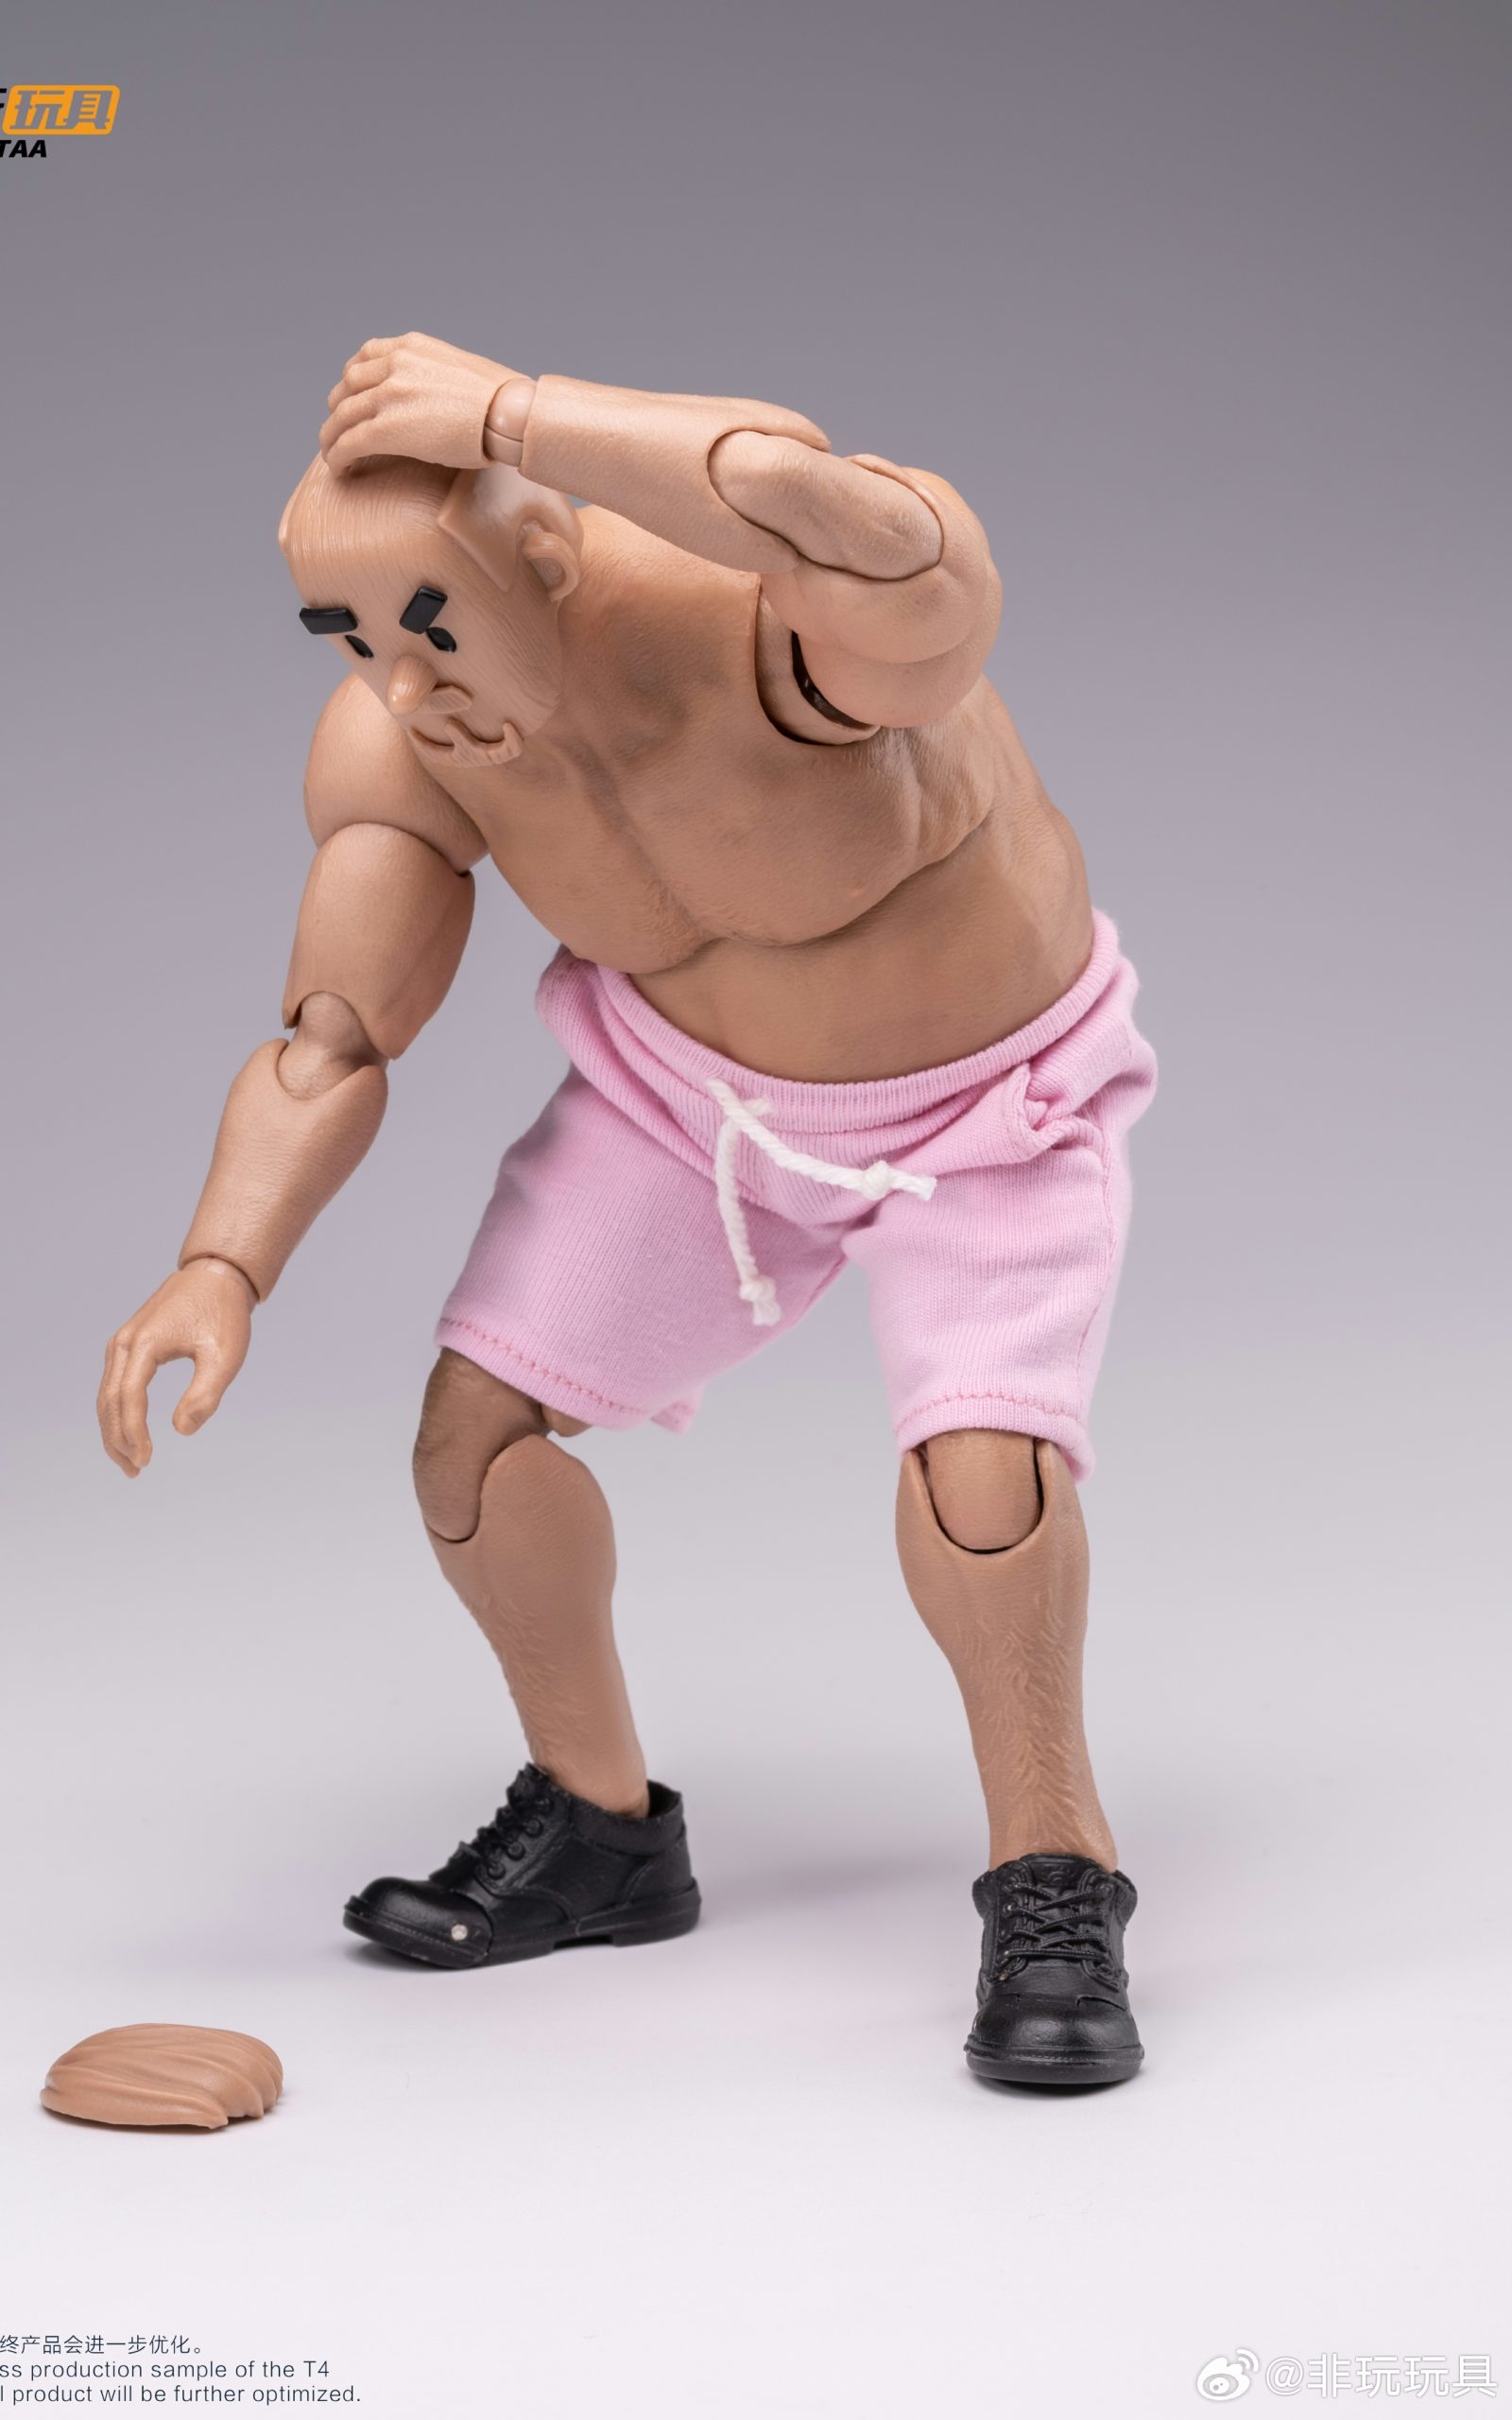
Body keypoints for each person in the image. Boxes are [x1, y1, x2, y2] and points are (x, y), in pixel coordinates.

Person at [97, 334, 1158, 2086]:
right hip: (690, 1108)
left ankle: (1056, 1874)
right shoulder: (410, 741)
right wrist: (224, 1261)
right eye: (348, 635)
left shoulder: (760, 629)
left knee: (984, 1479)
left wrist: (513, 416)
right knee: (471, 1445)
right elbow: (334, 1035)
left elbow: (890, 538)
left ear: (545, 550)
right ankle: (601, 1835)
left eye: (429, 619)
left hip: (981, 1111)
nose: (400, 678)